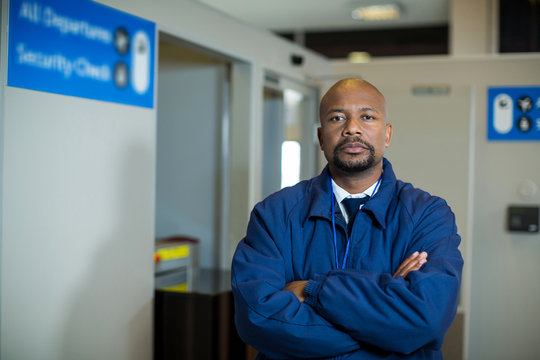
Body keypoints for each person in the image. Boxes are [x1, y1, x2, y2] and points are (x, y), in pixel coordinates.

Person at [231, 78, 463, 359]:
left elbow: (426, 320)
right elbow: (257, 318)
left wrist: (313, 289)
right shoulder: (275, 214)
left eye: (367, 116)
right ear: (320, 138)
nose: (352, 128)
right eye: (337, 117)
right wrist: (384, 325)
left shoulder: (428, 215)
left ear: (387, 135)